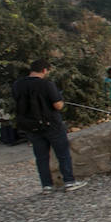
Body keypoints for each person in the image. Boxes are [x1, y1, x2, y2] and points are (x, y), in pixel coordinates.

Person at [11, 59, 86, 192]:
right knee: (62, 154)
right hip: (51, 124)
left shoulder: (18, 84)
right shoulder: (46, 84)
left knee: (41, 157)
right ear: (45, 70)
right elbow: (57, 105)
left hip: (30, 125)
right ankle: (69, 181)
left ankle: (47, 185)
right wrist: (62, 102)